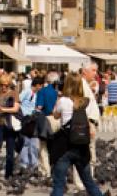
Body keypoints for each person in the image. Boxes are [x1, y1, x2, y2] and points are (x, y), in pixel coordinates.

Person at [48, 71, 104, 196]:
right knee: (89, 181)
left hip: (64, 146)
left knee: (59, 184)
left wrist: (59, 98)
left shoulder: (63, 101)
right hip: (81, 145)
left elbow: (55, 115)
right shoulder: (86, 101)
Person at [73, 63, 101, 192]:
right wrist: (89, 125)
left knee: (88, 155)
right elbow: (81, 107)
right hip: (86, 125)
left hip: (88, 124)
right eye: (93, 70)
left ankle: (86, 183)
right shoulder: (81, 85)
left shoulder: (85, 85)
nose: (96, 73)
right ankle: (83, 184)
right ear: (85, 72)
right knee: (86, 155)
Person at [0, 73, 19, 179]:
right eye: (2, 85)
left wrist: (2, 109)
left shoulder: (13, 93)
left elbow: (16, 108)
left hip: (10, 125)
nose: (4, 87)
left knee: (10, 151)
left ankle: (9, 174)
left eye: (6, 85)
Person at [36, 71, 59, 177]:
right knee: (54, 145)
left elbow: (39, 107)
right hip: (57, 119)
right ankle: (55, 168)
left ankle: (46, 171)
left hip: (46, 120)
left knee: (43, 146)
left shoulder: (42, 91)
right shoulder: (56, 92)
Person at [19, 76, 43, 169]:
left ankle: (34, 163)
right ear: (37, 85)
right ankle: (24, 164)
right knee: (25, 142)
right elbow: (19, 101)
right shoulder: (27, 91)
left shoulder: (38, 94)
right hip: (25, 119)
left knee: (33, 143)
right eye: (40, 86)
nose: (41, 88)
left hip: (33, 120)